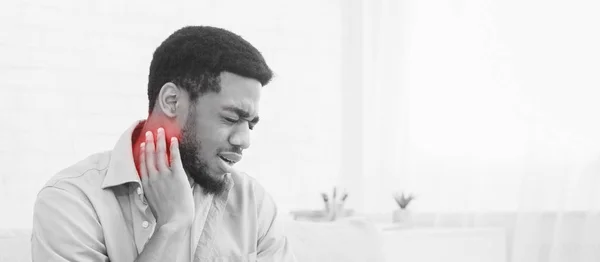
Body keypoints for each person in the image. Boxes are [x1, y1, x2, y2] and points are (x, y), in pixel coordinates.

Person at [31, 26, 296, 262]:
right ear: (171, 101)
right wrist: (173, 225)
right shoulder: (71, 200)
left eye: (250, 124)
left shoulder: (253, 203)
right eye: (230, 118)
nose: (244, 140)